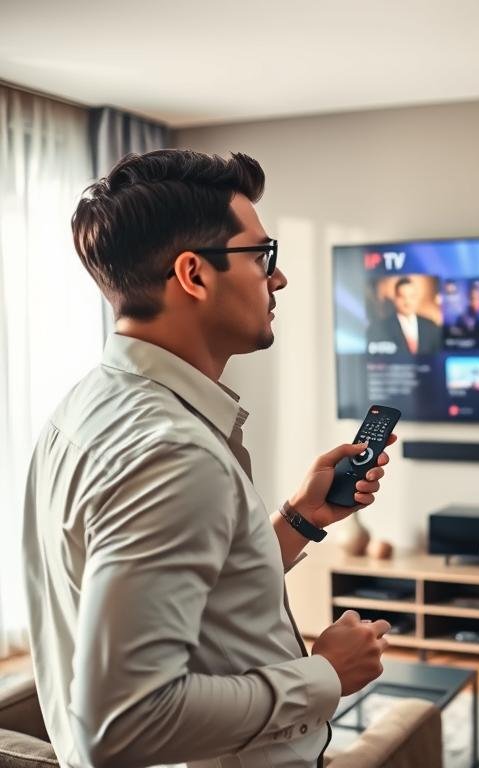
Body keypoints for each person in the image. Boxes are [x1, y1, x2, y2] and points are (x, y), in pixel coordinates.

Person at [22, 149, 395, 768]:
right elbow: (120, 727)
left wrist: (297, 522)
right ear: (194, 275)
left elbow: (192, 601)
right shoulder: (169, 453)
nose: (276, 279)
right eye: (262, 256)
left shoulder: (88, 404)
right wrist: (326, 674)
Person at [368, 276, 442, 355]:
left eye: (412, 296)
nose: (407, 302)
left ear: (417, 298)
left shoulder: (431, 327)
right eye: (402, 297)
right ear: (395, 299)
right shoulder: (381, 328)